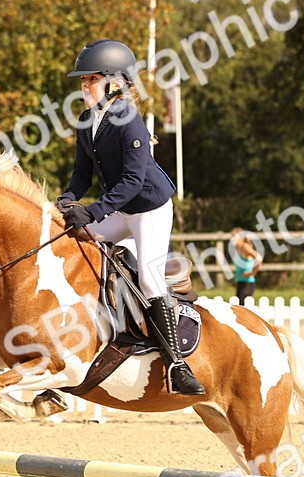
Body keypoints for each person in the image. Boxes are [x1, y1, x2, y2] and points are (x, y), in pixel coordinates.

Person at [55, 39, 204, 396]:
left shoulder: (129, 121)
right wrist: (65, 201)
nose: (84, 86)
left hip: (149, 208)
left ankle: (177, 366)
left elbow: (133, 181)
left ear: (115, 82)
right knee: (74, 244)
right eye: (83, 80)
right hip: (121, 209)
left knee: (151, 281)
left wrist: (92, 211)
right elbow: (81, 175)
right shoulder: (87, 121)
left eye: (91, 79)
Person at [228, 227, 262, 303]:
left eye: (234, 237)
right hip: (240, 282)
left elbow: (259, 259)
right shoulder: (237, 248)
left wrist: (252, 273)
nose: (231, 239)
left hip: (248, 283)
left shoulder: (245, 247)